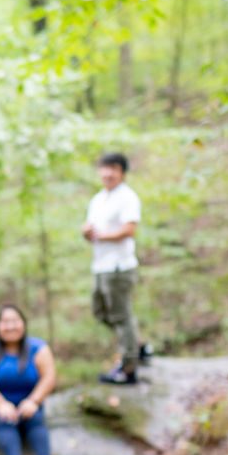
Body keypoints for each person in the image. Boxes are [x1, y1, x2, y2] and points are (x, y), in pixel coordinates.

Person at [82, 151, 144, 385]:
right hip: (100, 265)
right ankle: (137, 344)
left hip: (119, 266)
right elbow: (91, 229)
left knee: (121, 315)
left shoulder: (127, 197)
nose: (107, 173)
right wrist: (87, 233)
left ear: (122, 173)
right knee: (101, 312)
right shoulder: (98, 199)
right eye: (104, 168)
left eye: (113, 169)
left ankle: (129, 368)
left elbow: (129, 230)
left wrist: (102, 235)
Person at [0, 304, 55, 455]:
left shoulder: (38, 347)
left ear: (23, 323)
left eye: (15, 321)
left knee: (36, 419)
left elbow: (49, 377)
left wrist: (34, 401)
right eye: (5, 322)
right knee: (7, 421)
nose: (10, 327)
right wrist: (1, 404)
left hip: (28, 402)